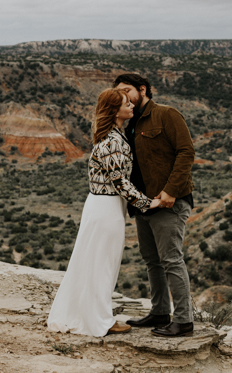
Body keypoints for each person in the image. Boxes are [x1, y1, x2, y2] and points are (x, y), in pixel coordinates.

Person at [47, 88, 161, 338]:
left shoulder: (115, 135)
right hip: (106, 207)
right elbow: (119, 182)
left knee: (96, 263)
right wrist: (148, 203)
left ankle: (91, 315)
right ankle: (100, 321)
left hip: (105, 206)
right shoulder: (112, 140)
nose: (131, 106)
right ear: (114, 111)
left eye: (131, 102)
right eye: (125, 104)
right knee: (102, 266)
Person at [114, 73, 196, 338]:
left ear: (142, 89)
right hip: (143, 204)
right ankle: (160, 312)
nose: (124, 95)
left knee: (171, 259)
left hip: (167, 203)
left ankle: (183, 320)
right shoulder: (130, 123)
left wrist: (171, 191)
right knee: (153, 261)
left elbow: (186, 152)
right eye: (119, 92)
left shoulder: (166, 114)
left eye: (127, 90)